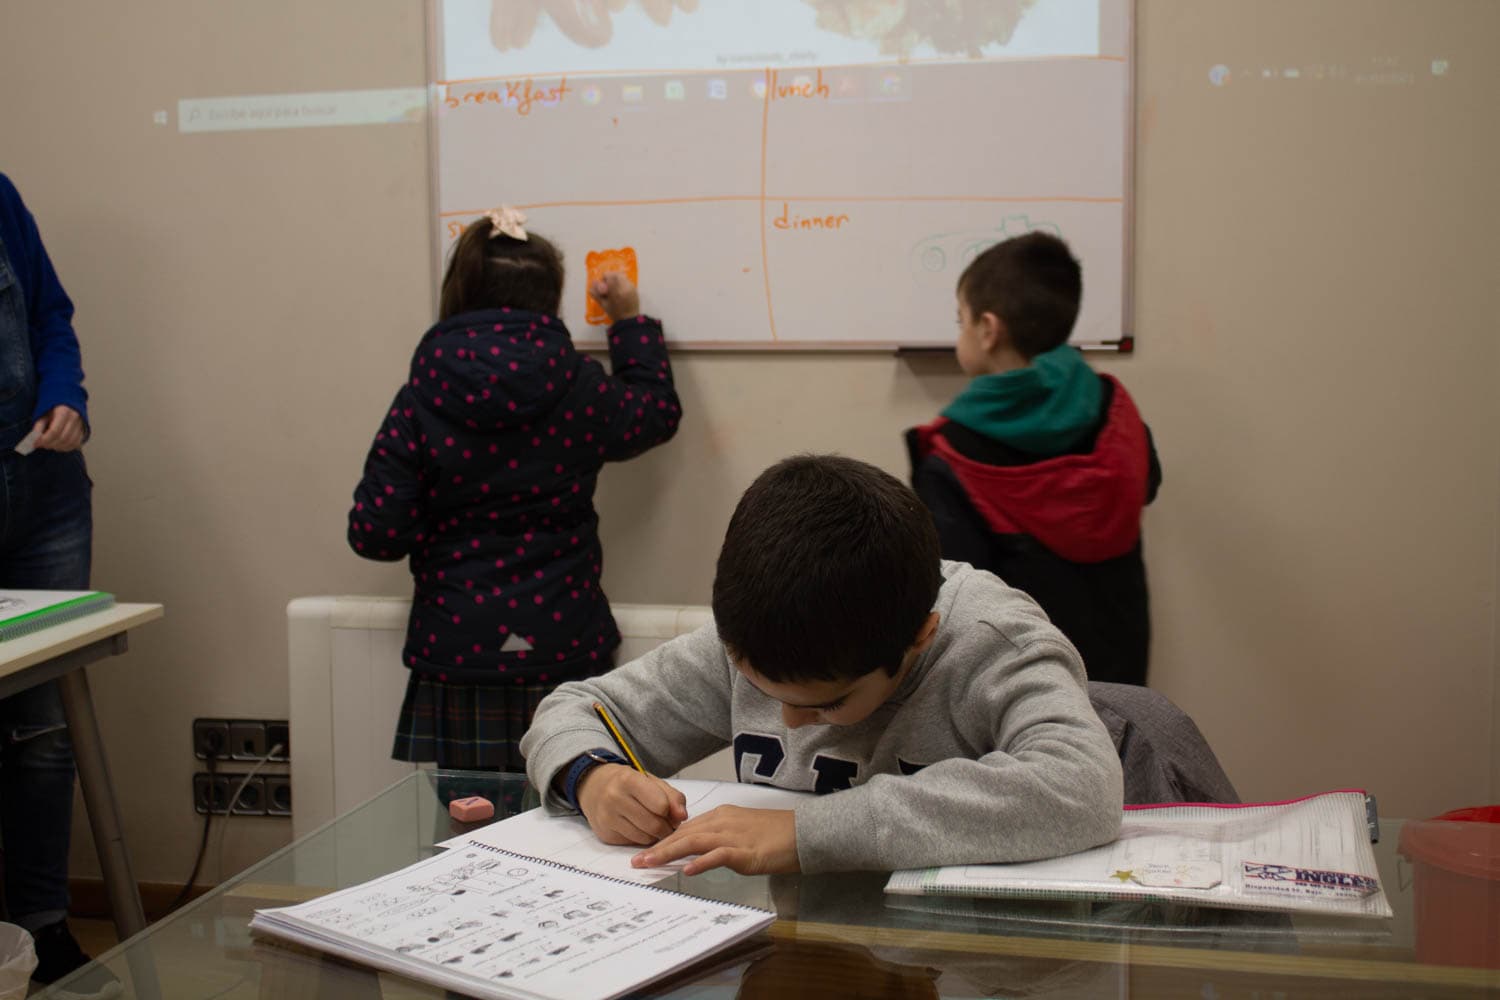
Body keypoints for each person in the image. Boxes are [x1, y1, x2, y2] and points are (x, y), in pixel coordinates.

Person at [521, 454, 1123, 875]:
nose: (787, 721)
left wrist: (806, 832)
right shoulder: (758, 639)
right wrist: (592, 777)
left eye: (827, 703)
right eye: (763, 690)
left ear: (920, 637)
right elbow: (572, 708)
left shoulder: (990, 642)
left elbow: (1085, 788)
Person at [347, 206, 680, 776]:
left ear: (460, 292)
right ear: (549, 297)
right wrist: (627, 322)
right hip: (564, 642)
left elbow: (376, 534)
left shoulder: (422, 395)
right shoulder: (577, 386)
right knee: (576, 824)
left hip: (458, 651)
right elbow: (654, 414)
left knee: (469, 832)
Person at [906, 232, 1161, 686]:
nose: (960, 331)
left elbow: (959, 595)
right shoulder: (1114, 409)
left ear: (987, 329)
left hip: (1022, 687)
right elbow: (1148, 483)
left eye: (960, 319)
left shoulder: (952, 451)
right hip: (1120, 672)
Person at [0, 172, 102, 985]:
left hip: (45, 498)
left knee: (44, 733)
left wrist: (65, 396)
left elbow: (50, 316)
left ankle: (44, 928)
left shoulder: (0, 195)